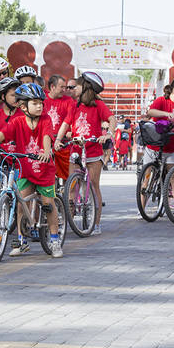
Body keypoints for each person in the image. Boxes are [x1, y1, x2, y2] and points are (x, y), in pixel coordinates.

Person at [0, 83, 63, 258]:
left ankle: (55, 240)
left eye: (41, 103)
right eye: (35, 103)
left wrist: (46, 151)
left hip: (44, 171)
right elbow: (3, 134)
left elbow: (46, 136)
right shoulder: (17, 121)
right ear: (22, 106)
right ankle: (21, 242)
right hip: (25, 169)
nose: (40, 106)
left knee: (48, 205)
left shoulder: (45, 120)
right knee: (21, 204)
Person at [54, 71, 116, 235]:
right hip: (76, 149)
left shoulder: (98, 105)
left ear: (86, 87)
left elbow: (112, 120)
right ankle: (70, 218)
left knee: (94, 186)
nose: (73, 89)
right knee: (72, 185)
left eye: (77, 86)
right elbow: (65, 124)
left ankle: (96, 224)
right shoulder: (74, 105)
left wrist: (108, 134)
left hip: (94, 151)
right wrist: (57, 140)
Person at [143, 78, 174, 216]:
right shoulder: (161, 100)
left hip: (173, 147)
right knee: (146, 178)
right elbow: (150, 112)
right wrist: (167, 114)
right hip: (155, 146)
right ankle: (141, 209)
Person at [44, 75, 75, 182]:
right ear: (52, 87)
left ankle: (68, 194)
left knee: (69, 175)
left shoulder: (69, 101)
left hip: (62, 143)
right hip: (45, 142)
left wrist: (71, 132)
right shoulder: (42, 99)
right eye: (61, 87)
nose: (64, 90)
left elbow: (71, 119)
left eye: (65, 87)